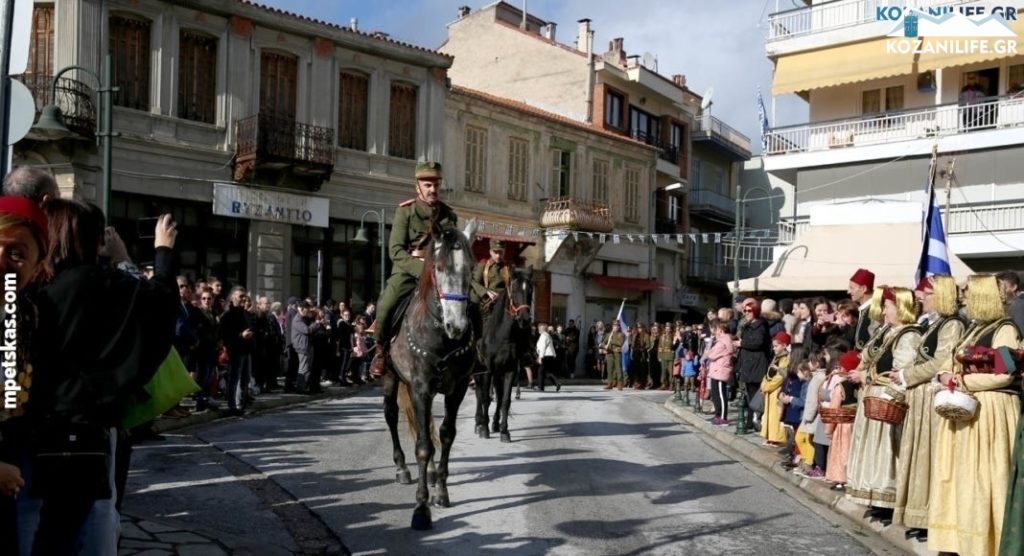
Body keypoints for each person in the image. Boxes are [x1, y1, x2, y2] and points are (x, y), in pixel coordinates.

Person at [23, 201, 179, 555]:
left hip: (26, 428)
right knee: (86, 527)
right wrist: (159, 252)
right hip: (82, 432)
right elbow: (159, 307)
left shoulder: (30, 285)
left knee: (30, 525)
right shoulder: (94, 282)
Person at [930, 274, 1021, 556]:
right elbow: (951, 363)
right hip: (967, 413)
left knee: (984, 479)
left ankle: (985, 543)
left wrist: (962, 381)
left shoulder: (1005, 330)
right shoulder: (975, 328)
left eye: (968, 292)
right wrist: (946, 376)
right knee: (962, 478)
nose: (963, 297)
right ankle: (958, 540)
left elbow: (1005, 372)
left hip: (990, 412)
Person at [889, 275, 965, 540]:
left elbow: (941, 361)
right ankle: (918, 514)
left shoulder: (952, 324)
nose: (921, 298)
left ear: (941, 295)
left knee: (930, 458)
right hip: (920, 398)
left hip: (932, 399)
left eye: (928, 294)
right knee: (918, 458)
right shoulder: (937, 324)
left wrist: (907, 375)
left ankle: (932, 517)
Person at [369, 161, 458, 376]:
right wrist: (421, 269)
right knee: (387, 302)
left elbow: (453, 249)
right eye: (427, 185)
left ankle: (472, 354)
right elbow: (396, 251)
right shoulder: (406, 212)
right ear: (417, 186)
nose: (433, 189)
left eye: (436, 185)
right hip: (409, 270)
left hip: (441, 272)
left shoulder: (448, 215)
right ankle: (380, 351)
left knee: (469, 303)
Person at [845, 287, 922, 516]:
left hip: (886, 398)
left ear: (901, 309)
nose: (884, 312)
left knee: (885, 450)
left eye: (888, 307)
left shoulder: (909, 335)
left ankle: (886, 498)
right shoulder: (887, 331)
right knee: (871, 448)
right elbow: (869, 355)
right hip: (873, 395)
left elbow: (901, 370)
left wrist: (866, 377)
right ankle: (872, 495)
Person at [0, 196, 49, 554]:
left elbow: (15, 396)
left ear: (36, 268)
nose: (2, 263)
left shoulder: (23, 313)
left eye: (17, 254)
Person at [218, 287, 256, 414]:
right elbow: (225, 334)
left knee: (245, 379)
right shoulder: (228, 314)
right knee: (234, 379)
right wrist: (241, 335)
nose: (243, 299)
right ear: (233, 297)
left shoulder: (243, 312)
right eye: (240, 296)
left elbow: (251, 326)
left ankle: (240, 405)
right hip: (236, 350)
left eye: (244, 296)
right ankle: (232, 406)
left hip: (246, 349)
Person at [736, 298, 770, 431]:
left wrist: (742, 343)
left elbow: (759, 343)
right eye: (744, 311)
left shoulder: (760, 325)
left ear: (755, 310)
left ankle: (756, 421)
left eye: (749, 310)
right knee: (750, 394)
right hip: (748, 364)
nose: (746, 313)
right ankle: (750, 420)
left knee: (756, 394)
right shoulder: (747, 325)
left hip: (757, 364)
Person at [760, 331, 791, 446]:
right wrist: (763, 384)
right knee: (769, 414)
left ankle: (777, 438)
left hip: (777, 390)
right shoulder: (776, 357)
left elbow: (780, 377)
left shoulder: (786, 358)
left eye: (776, 346)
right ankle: (770, 436)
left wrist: (767, 386)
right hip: (770, 390)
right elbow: (768, 372)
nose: (774, 348)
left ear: (784, 345)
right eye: (773, 346)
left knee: (776, 415)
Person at [704, 321, 736, 426]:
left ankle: (723, 417)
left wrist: (708, 351)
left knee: (721, 395)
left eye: (716, 330)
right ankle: (717, 415)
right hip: (716, 370)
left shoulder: (723, 341)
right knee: (715, 394)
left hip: (721, 370)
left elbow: (712, 354)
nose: (715, 332)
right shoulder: (720, 340)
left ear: (721, 330)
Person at [471, 239, 507, 309]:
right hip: (486, 302)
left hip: (502, 302)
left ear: (504, 252)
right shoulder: (483, 265)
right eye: (495, 252)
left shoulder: (507, 267)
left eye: (500, 252)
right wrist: (486, 292)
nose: (498, 256)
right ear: (490, 252)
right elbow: (473, 281)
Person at [848, 268, 876, 350]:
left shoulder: (874, 310)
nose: (848, 291)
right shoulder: (864, 309)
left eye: (852, 288)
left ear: (863, 289)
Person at [535, 323, 561, 392]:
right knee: (546, 372)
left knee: (540, 371)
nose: (538, 329)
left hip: (545, 355)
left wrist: (540, 357)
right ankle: (556, 383)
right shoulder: (547, 335)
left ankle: (540, 387)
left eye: (539, 328)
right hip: (550, 356)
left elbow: (542, 347)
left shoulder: (543, 336)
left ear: (542, 329)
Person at [602, 321, 625, 390]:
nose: (616, 327)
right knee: (609, 369)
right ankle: (610, 384)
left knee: (618, 368)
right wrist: (604, 346)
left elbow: (620, 343)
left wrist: (611, 341)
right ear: (612, 326)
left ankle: (620, 384)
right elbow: (603, 342)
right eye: (615, 325)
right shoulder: (609, 334)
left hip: (617, 353)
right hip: (609, 353)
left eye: (617, 326)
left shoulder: (621, 334)